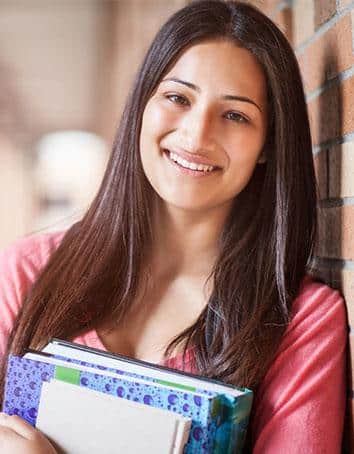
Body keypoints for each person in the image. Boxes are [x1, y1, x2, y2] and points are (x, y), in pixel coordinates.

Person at [0, 0, 347, 452]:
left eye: (235, 115)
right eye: (177, 98)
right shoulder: (27, 272)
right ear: (142, 106)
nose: (196, 135)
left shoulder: (299, 320)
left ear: (267, 145)